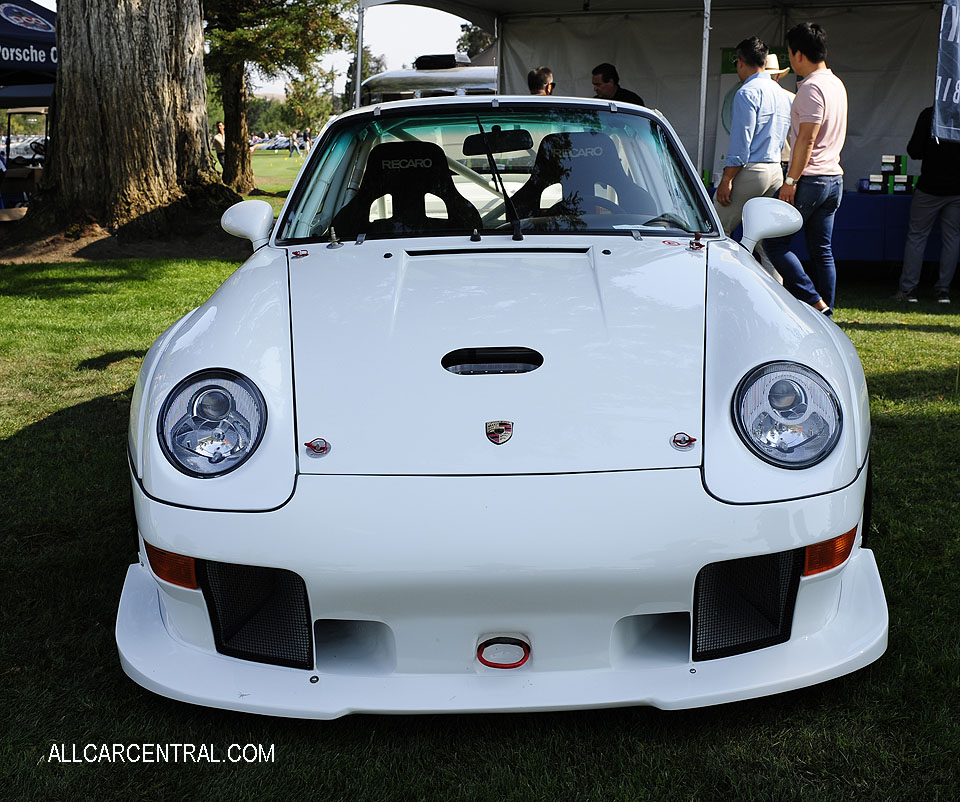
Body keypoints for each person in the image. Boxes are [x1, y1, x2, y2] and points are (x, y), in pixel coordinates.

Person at [763, 22, 847, 316]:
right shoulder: (835, 83)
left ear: (799, 54)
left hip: (810, 179)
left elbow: (807, 140)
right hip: (833, 177)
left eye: (789, 54)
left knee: (773, 243)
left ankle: (814, 302)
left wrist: (790, 179)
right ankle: (826, 310)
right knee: (821, 249)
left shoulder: (812, 87)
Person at [714, 37, 791, 278]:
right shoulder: (781, 92)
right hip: (775, 170)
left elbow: (741, 142)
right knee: (763, 238)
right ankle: (776, 287)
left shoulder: (747, 91)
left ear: (740, 62)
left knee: (717, 229)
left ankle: (719, 279)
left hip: (752, 170)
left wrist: (727, 179)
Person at [893, 106, 960, 304]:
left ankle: (908, 289)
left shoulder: (930, 114)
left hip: (930, 186)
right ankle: (943, 290)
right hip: (956, 189)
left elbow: (914, 150)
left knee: (917, 236)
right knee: (952, 238)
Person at [765, 53, 795, 169]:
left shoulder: (754, 97)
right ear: (778, 77)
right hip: (786, 161)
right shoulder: (792, 98)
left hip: (761, 161)